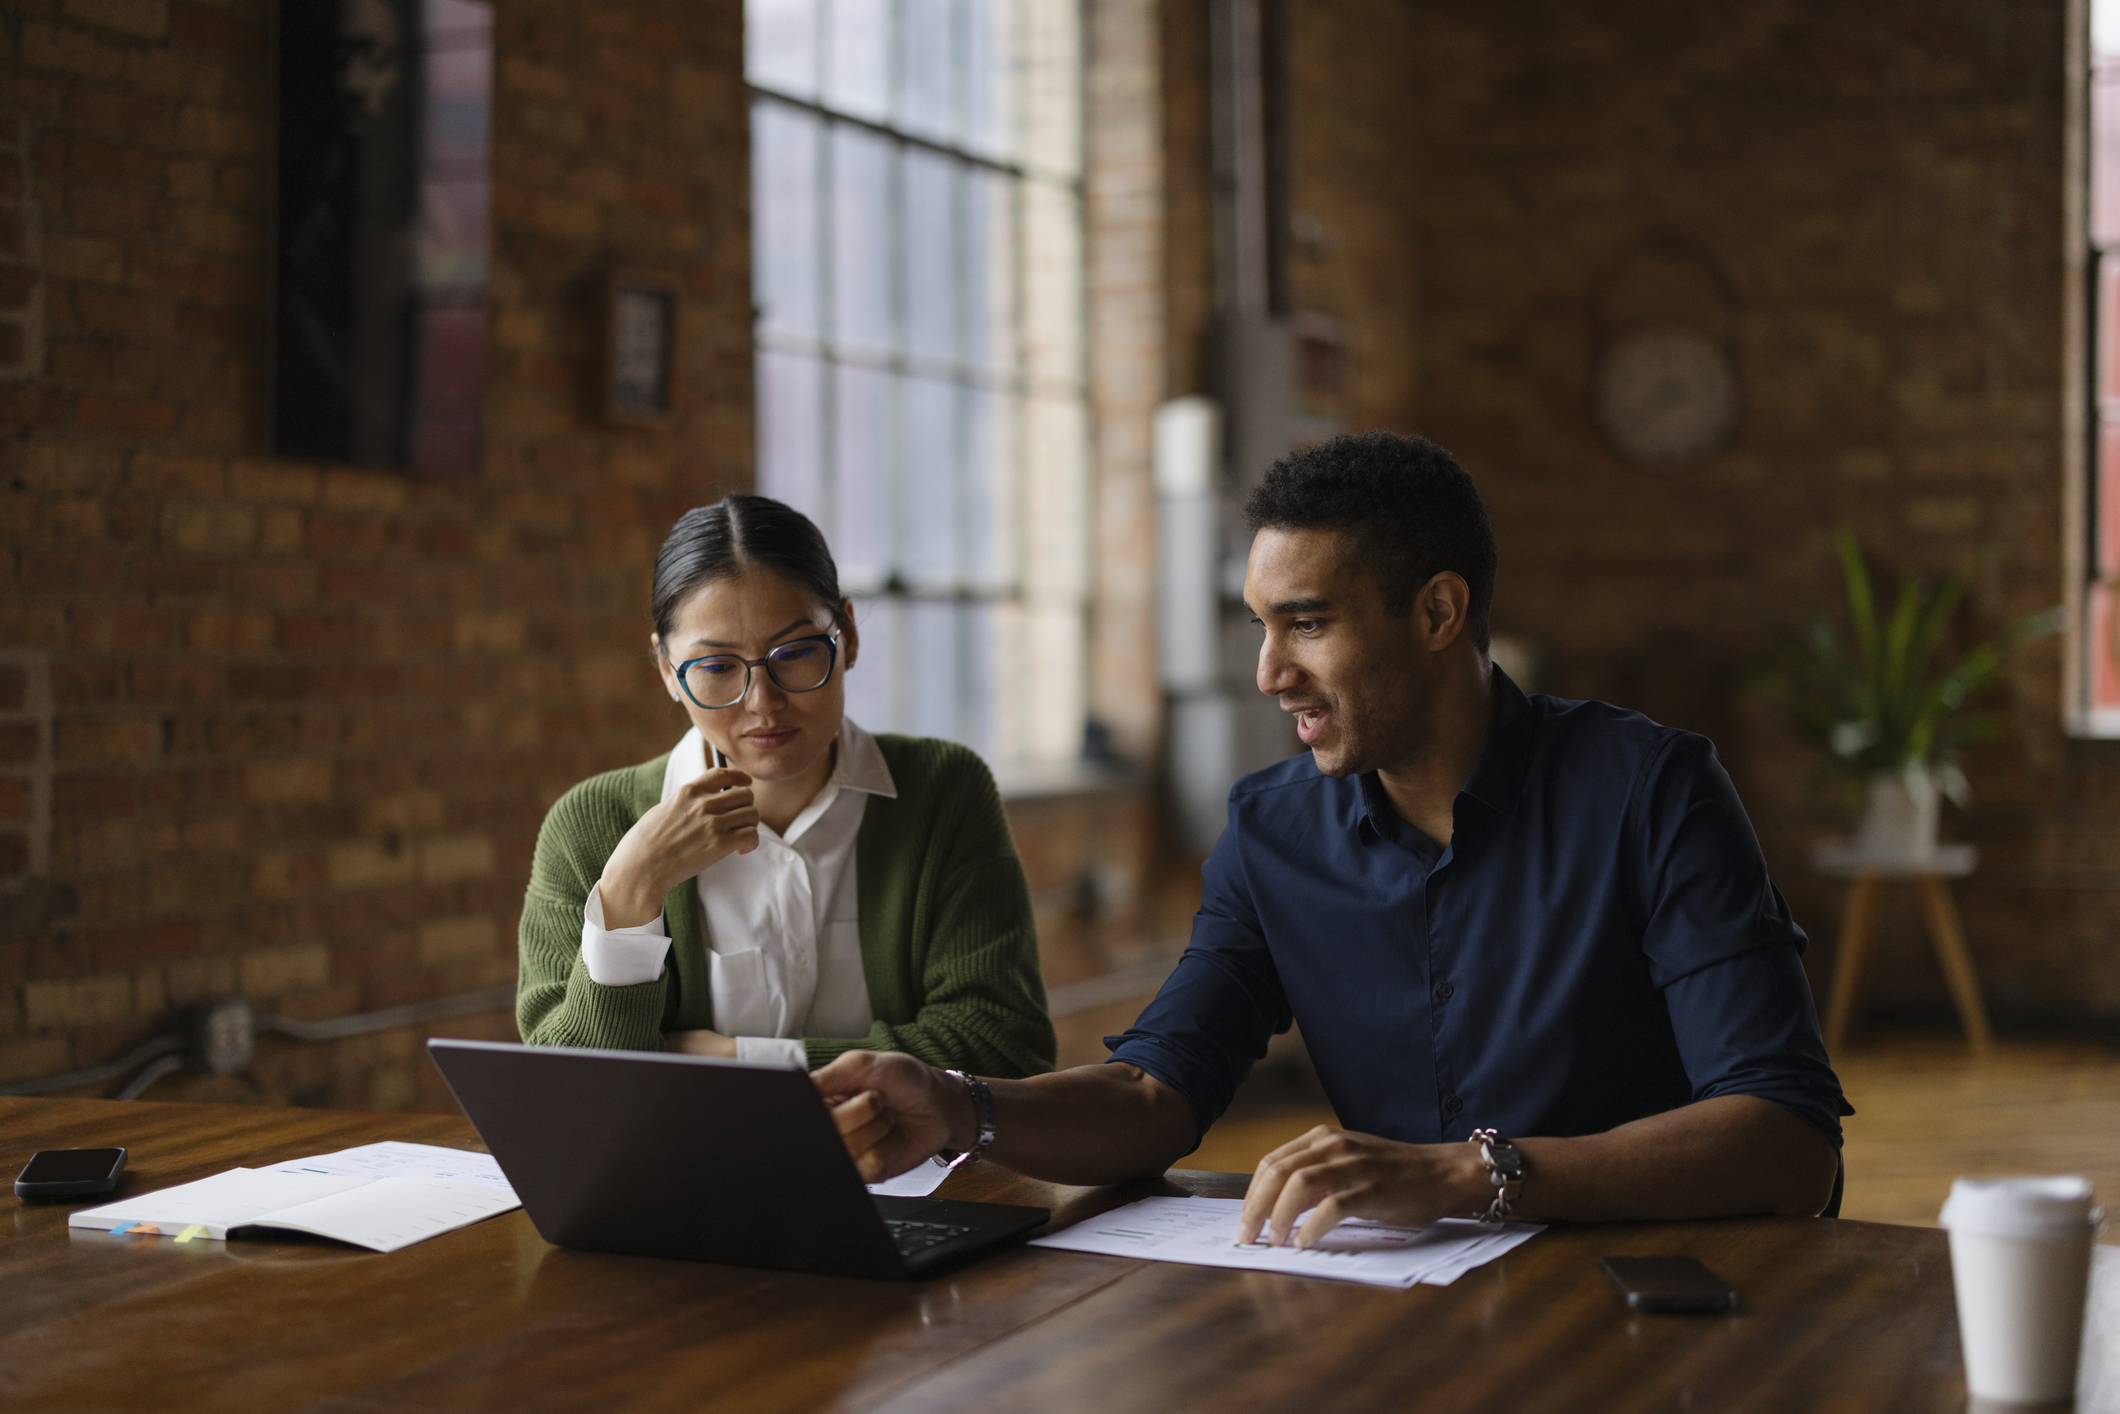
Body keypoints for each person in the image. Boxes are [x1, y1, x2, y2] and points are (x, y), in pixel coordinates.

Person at [815, 431, 1849, 1246]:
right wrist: (955, 1105)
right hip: (1408, 1298)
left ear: (1438, 610)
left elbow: (1782, 1135)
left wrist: (1462, 1173)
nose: (1268, 673)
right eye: (1259, 626)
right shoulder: (1271, 832)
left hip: (1654, 1291)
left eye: (1305, 623)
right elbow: (1153, 1092)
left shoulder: (1649, 791)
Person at [517, 494, 1056, 1077]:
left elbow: (1005, 1049)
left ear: (847, 635)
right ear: (668, 671)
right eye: (717, 668)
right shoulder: (592, 825)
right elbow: (567, 1088)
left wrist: (736, 1059)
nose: (763, 703)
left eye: (795, 654)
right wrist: (630, 890)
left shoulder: (944, 793)